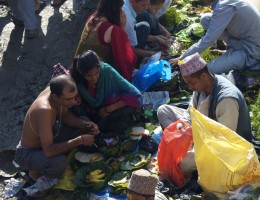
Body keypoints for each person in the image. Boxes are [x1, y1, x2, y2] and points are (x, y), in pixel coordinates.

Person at [157, 52, 252, 174]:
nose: (190, 87)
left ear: (203, 76)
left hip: (223, 146)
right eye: (188, 83)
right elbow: (190, 112)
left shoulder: (226, 99)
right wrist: (183, 126)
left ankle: (186, 152)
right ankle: (184, 147)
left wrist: (196, 143)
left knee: (182, 163)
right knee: (163, 111)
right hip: (201, 130)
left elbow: (225, 139)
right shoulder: (201, 87)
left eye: (191, 83)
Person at [15, 75, 100, 181]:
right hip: (28, 153)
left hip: (48, 139)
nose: (74, 102)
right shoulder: (45, 110)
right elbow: (49, 151)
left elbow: (66, 116)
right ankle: (35, 174)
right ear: (55, 97)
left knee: (85, 123)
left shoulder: (57, 94)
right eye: (69, 99)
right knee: (59, 163)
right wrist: (80, 140)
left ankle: (40, 164)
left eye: (75, 97)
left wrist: (88, 125)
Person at [170, 0, 260, 75]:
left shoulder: (224, 6)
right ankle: (230, 50)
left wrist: (181, 58)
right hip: (241, 39)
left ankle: (239, 56)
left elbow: (208, 39)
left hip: (252, 50)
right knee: (205, 19)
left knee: (208, 70)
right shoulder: (222, 3)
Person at [70, 50, 142, 133]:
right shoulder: (78, 80)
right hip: (95, 114)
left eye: (97, 73)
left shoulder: (107, 71)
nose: (94, 78)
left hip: (113, 108)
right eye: (89, 75)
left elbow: (135, 94)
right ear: (81, 73)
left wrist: (108, 109)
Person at [75, 0, 136, 81]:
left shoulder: (93, 17)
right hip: (94, 77)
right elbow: (124, 57)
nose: (122, 12)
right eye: (120, 9)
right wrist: (122, 30)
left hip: (78, 69)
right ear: (115, 10)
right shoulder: (112, 30)